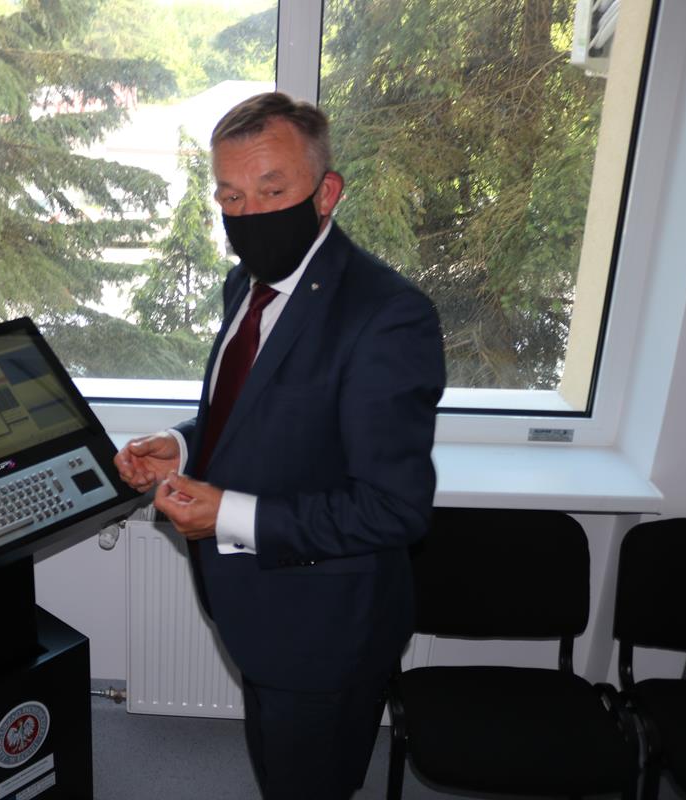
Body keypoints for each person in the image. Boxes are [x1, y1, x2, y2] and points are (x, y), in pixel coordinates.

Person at [114, 92, 445, 799]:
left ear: (326, 193)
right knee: (278, 771)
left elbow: (395, 508)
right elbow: (253, 413)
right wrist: (182, 446)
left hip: (325, 631)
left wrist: (227, 515)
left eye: (272, 190)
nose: (249, 214)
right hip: (253, 609)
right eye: (230, 196)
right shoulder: (247, 282)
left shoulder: (388, 317)